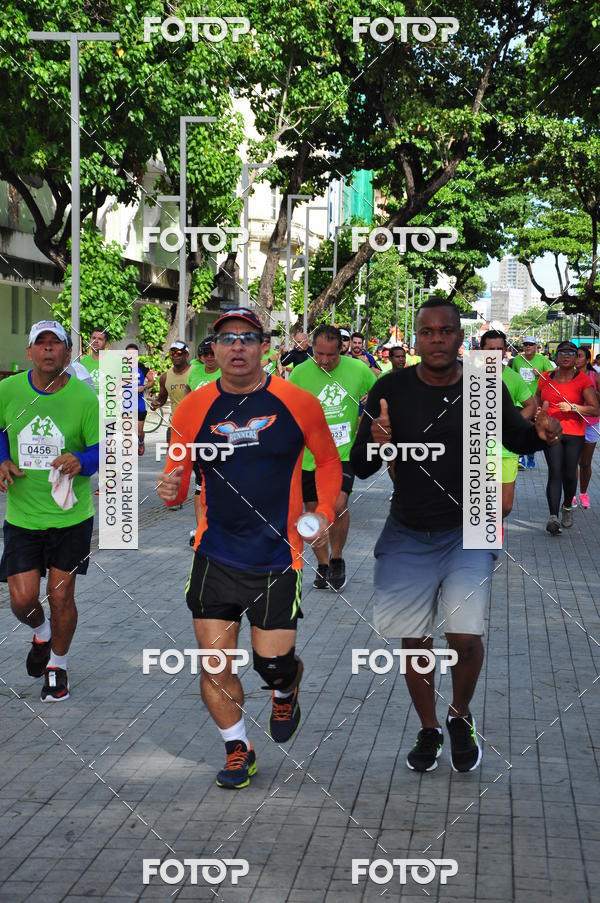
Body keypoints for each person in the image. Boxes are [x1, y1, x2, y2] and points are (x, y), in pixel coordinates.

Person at [350, 299, 561, 773]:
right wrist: (375, 441)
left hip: (471, 525)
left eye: (447, 331)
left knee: (464, 637)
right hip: (406, 529)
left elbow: (517, 439)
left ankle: (459, 716)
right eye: (428, 332)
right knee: (415, 639)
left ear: (459, 338)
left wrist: (543, 435)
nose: (438, 339)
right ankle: (428, 729)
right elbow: (361, 467)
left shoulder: (484, 385)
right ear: (417, 339)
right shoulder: (390, 387)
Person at [156, 308, 341, 789]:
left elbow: (326, 459)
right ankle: (238, 746)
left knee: (272, 666)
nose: (237, 347)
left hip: (278, 558)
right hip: (215, 554)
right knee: (214, 663)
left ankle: (286, 687)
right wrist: (169, 489)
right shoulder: (193, 408)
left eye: (247, 338)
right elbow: (177, 487)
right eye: (227, 339)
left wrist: (321, 515)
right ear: (213, 350)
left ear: (264, 347)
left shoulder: (297, 402)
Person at [0, 321, 99, 702]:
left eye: (54, 343)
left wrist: (80, 459)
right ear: (29, 353)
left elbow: (99, 451)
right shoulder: (8, 390)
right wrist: (3, 459)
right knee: (23, 600)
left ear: (67, 353)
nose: (46, 350)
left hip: (70, 516)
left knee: (60, 597)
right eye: (39, 343)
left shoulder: (83, 398)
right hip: (22, 517)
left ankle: (57, 664)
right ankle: (41, 634)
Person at [290, 325, 377, 591]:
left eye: (331, 355)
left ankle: (337, 558)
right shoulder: (300, 373)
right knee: (314, 513)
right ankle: (324, 564)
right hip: (308, 457)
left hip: (342, 453)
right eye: (319, 354)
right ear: (311, 348)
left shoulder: (358, 369)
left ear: (342, 348)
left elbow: (382, 391)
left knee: (338, 505)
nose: (325, 361)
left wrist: (371, 397)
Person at [536, 341, 599, 534]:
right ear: (556, 356)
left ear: (576, 358)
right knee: (555, 470)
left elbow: (595, 408)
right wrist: (540, 411)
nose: (565, 356)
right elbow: (538, 396)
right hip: (552, 431)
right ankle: (553, 517)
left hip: (575, 432)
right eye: (562, 353)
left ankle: (567, 507)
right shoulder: (545, 377)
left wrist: (575, 407)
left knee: (570, 473)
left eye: (571, 353)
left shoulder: (583, 380)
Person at [479, 331, 536, 520]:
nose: (495, 353)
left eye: (499, 349)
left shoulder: (513, 378)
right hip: (476, 449)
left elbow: (531, 406)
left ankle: (493, 526)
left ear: (505, 350)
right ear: (482, 350)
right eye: (490, 349)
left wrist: (513, 426)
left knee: (505, 505)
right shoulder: (469, 376)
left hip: (506, 450)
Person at [184, 336, 221, 544]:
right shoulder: (195, 372)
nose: (208, 357)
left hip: (222, 437)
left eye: (212, 353)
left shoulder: (226, 374)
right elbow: (188, 398)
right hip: (199, 436)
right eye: (204, 354)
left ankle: (218, 525)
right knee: (200, 483)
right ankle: (200, 529)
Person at [511, 336, 555, 468]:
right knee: (520, 428)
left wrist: (541, 373)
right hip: (519, 401)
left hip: (536, 401)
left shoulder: (542, 360)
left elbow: (552, 377)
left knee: (533, 430)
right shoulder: (517, 360)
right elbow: (513, 377)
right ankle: (520, 458)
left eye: (531, 344)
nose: (528, 347)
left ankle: (530, 456)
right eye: (525, 344)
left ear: (536, 347)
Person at [573, 347, 600, 508]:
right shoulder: (569, 376)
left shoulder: (595, 376)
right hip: (573, 422)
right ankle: (571, 495)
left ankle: (583, 493)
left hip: (591, 423)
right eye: (575, 356)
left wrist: (588, 389)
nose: (576, 359)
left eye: (580, 356)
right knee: (572, 461)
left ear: (587, 360)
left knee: (585, 463)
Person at [125, 343, 155, 456]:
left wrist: (144, 387)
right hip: (126, 404)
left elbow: (152, 381)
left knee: (138, 432)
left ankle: (141, 441)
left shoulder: (141, 367)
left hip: (139, 403)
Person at [80, 326, 109, 393]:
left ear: (106, 344)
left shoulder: (115, 362)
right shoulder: (82, 363)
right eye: (93, 338)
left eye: (100, 339)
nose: (96, 341)